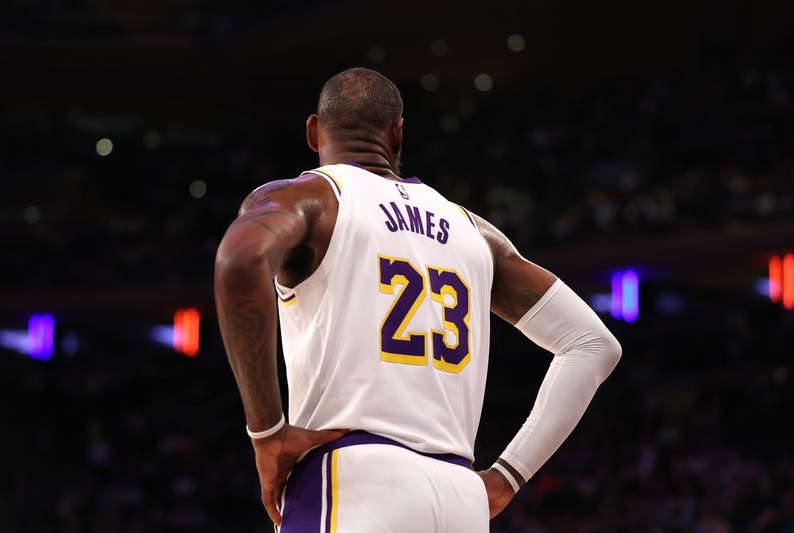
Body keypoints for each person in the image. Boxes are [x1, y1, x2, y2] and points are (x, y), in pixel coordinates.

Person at [214, 67, 622, 532]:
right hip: (460, 495)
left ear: (313, 132)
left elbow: (238, 261)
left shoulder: (308, 198)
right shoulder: (476, 232)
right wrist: (508, 476)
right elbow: (593, 344)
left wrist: (266, 432)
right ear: (397, 133)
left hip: (352, 478)